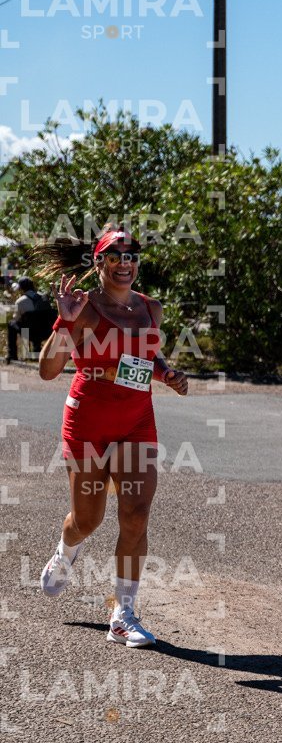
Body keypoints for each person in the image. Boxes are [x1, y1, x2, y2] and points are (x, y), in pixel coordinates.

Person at [34, 228, 189, 647]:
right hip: (88, 423)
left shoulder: (150, 309)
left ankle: (123, 615)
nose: (125, 263)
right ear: (98, 262)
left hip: (136, 421)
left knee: (136, 514)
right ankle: (66, 550)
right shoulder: (83, 308)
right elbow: (48, 371)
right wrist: (65, 322)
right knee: (88, 520)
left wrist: (166, 374)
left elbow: (148, 357)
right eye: (115, 255)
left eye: (131, 255)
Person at [6, 276, 48, 363]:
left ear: (21, 288)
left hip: (30, 333)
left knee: (11, 323)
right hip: (46, 332)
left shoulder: (20, 301)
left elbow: (16, 318)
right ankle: (37, 351)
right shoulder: (44, 297)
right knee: (38, 322)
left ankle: (12, 355)